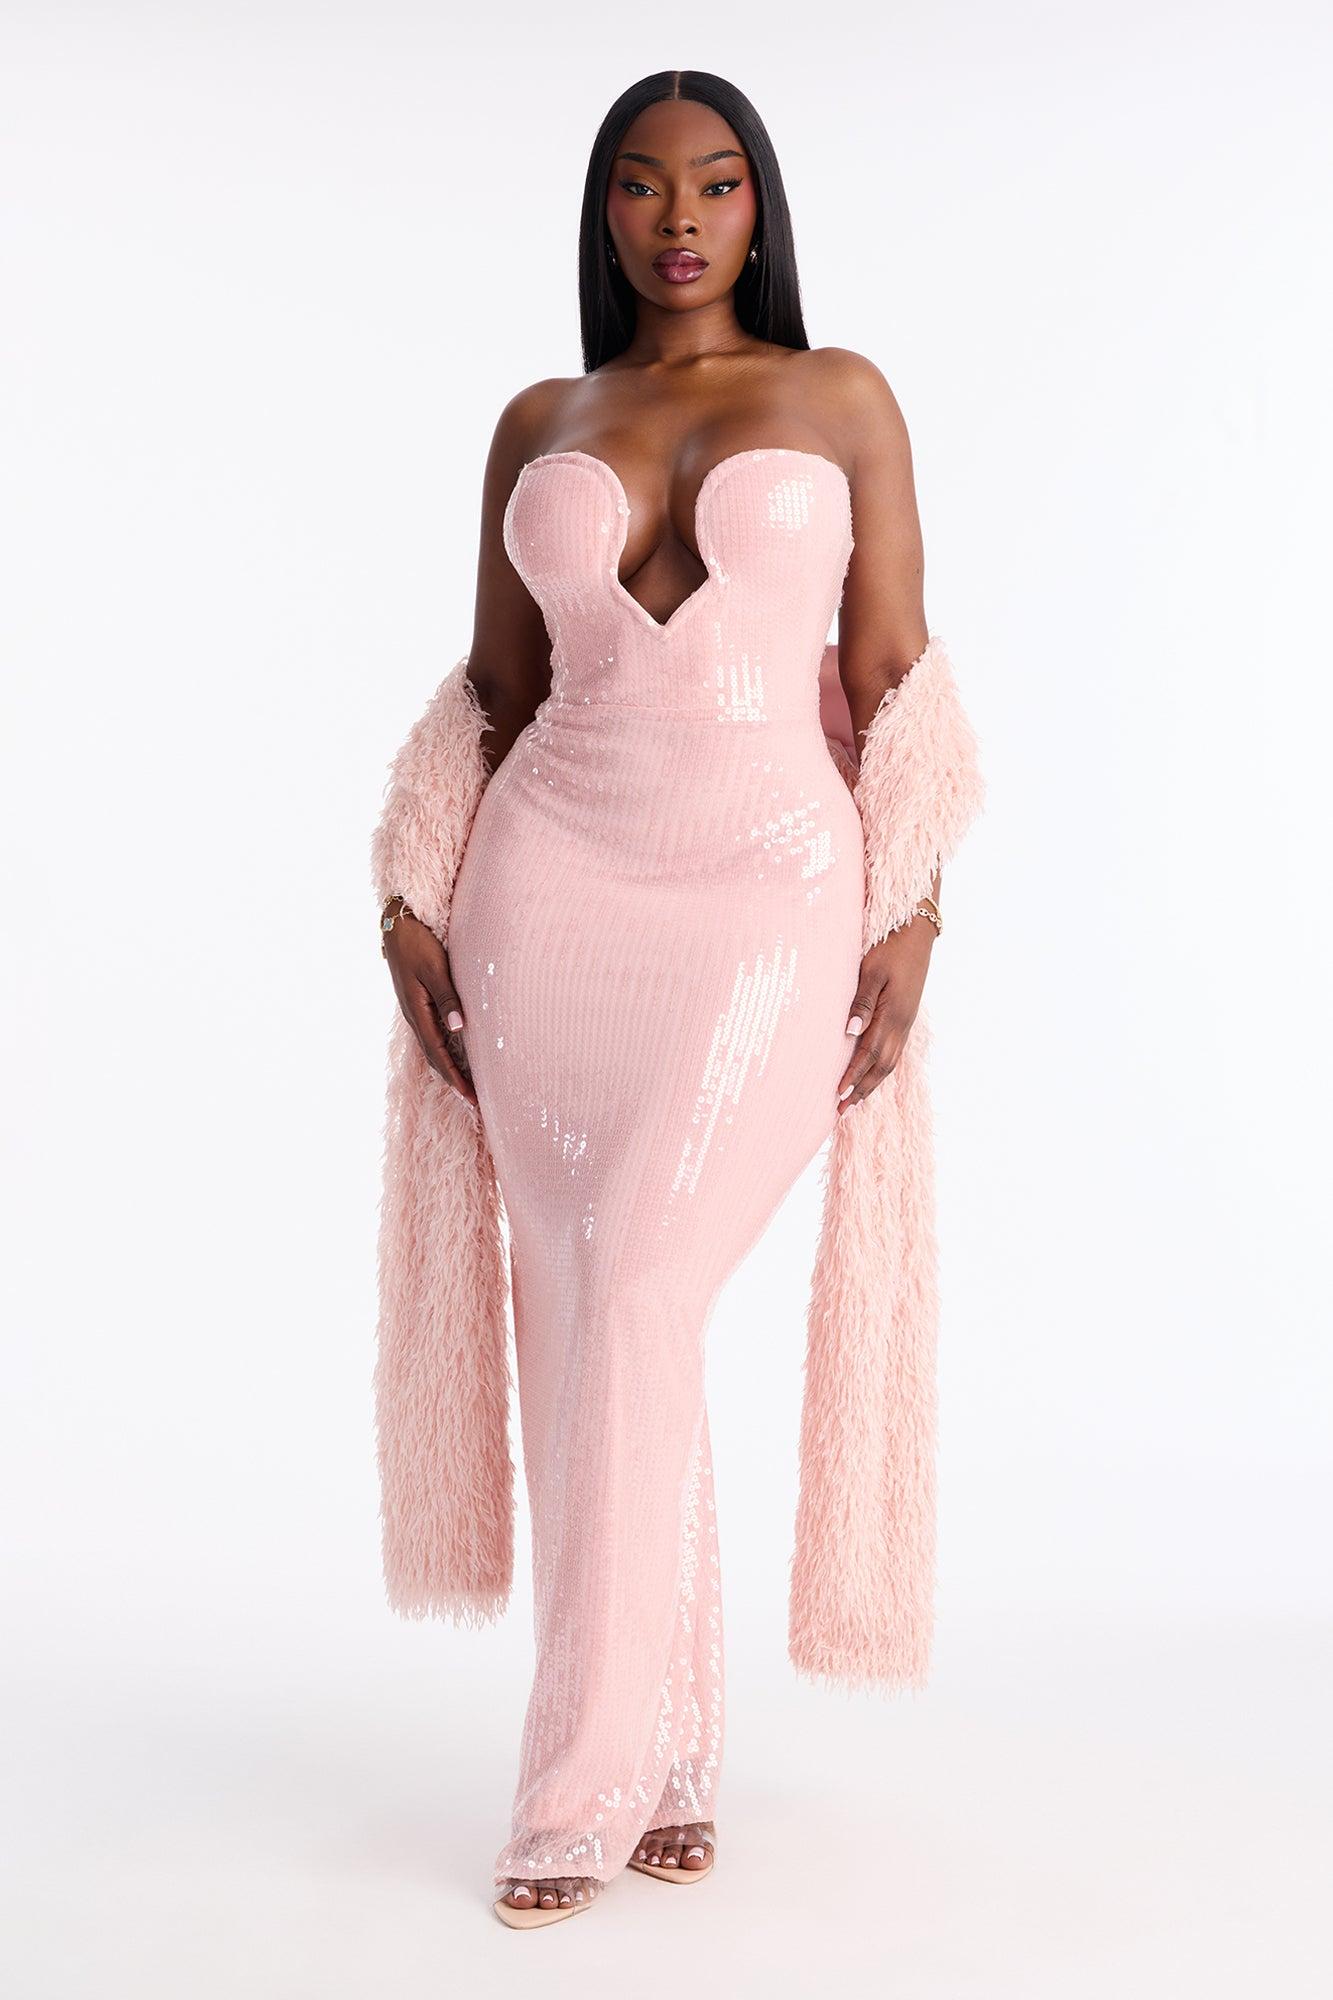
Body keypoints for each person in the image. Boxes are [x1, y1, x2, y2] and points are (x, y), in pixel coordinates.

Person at [374, 69, 983, 1929]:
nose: (679, 218)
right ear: (605, 213)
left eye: (715, 184)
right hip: (544, 887)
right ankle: (672, 1760)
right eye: (641, 187)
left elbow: (894, 672)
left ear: (758, 208)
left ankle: (573, 1787)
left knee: (635, 1282)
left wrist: (914, 910)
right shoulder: (540, 421)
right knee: (582, 1310)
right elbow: (492, 691)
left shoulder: (840, 397)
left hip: (765, 889)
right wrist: (409, 886)